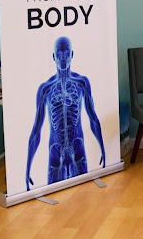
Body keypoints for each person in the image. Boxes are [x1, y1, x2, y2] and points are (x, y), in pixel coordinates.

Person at [26, 36, 105, 191]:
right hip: (55, 150)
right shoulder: (45, 89)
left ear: (72, 54)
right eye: (59, 54)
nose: (63, 58)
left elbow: (93, 119)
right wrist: (27, 168)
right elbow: (36, 130)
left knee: (83, 191)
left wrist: (103, 149)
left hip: (77, 146)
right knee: (54, 192)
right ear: (53, 56)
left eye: (66, 53)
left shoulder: (82, 82)